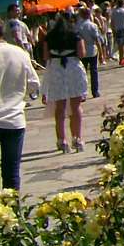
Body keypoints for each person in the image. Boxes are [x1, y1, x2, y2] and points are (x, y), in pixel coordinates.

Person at [0, 14, 41, 192]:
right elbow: (34, 85)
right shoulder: (20, 53)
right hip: (14, 120)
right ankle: (13, 215)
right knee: (11, 173)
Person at [43, 10, 89, 153]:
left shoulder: (49, 36)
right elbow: (81, 54)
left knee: (60, 107)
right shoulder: (75, 34)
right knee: (76, 107)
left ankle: (62, 140)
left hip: (56, 69)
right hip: (73, 68)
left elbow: (45, 56)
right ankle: (77, 138)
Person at [76, 6, 102, 98]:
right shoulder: (92, 25)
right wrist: (101, 53)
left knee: (82, 73)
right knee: (94, 72)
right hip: (92, 50)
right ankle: (95, 91)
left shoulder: (77, 26)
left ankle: (83, 93)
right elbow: (97, 40)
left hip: (81, 51)